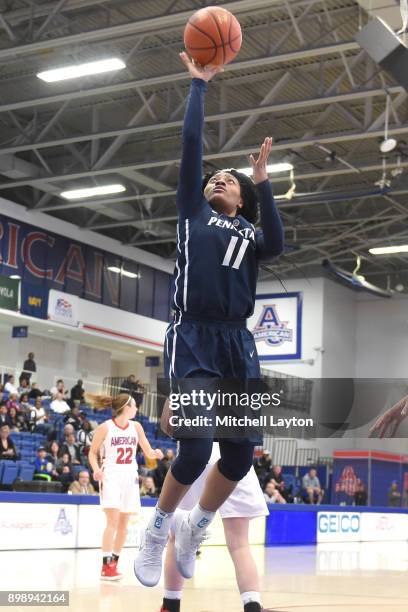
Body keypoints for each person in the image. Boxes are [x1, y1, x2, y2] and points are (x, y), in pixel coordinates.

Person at [135, 51, 283, 594]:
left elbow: (280, 242)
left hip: (237, 344)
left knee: (241, 454)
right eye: (213, 178)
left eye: (229, 179)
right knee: (195, 449)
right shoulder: (192, 215)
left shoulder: (250, 235)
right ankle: (158, 529)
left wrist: (263, 182)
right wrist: (198, 86)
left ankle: (196, 525)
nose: (217, 179)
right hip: (193, 333)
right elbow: (192, 148)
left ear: (241, 199)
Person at [159, 443, 268, 612]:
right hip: (236, 456)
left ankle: (170, 606)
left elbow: (170, 425)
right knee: (240, 545)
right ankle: (252, 606)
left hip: (196, 453)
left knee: (176, 535)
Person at [88, 393, 163, 581]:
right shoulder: (105, 427)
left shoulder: (136, 427)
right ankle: (105, 567)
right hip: (111, 474)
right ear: (126, 407)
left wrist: (156, 453)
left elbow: (148, 451)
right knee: (112, 522)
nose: (137, 409)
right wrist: (96, 469)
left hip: (130, 476)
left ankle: (114, 562)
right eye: (135, 406)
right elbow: (92, 453)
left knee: (123, 526)